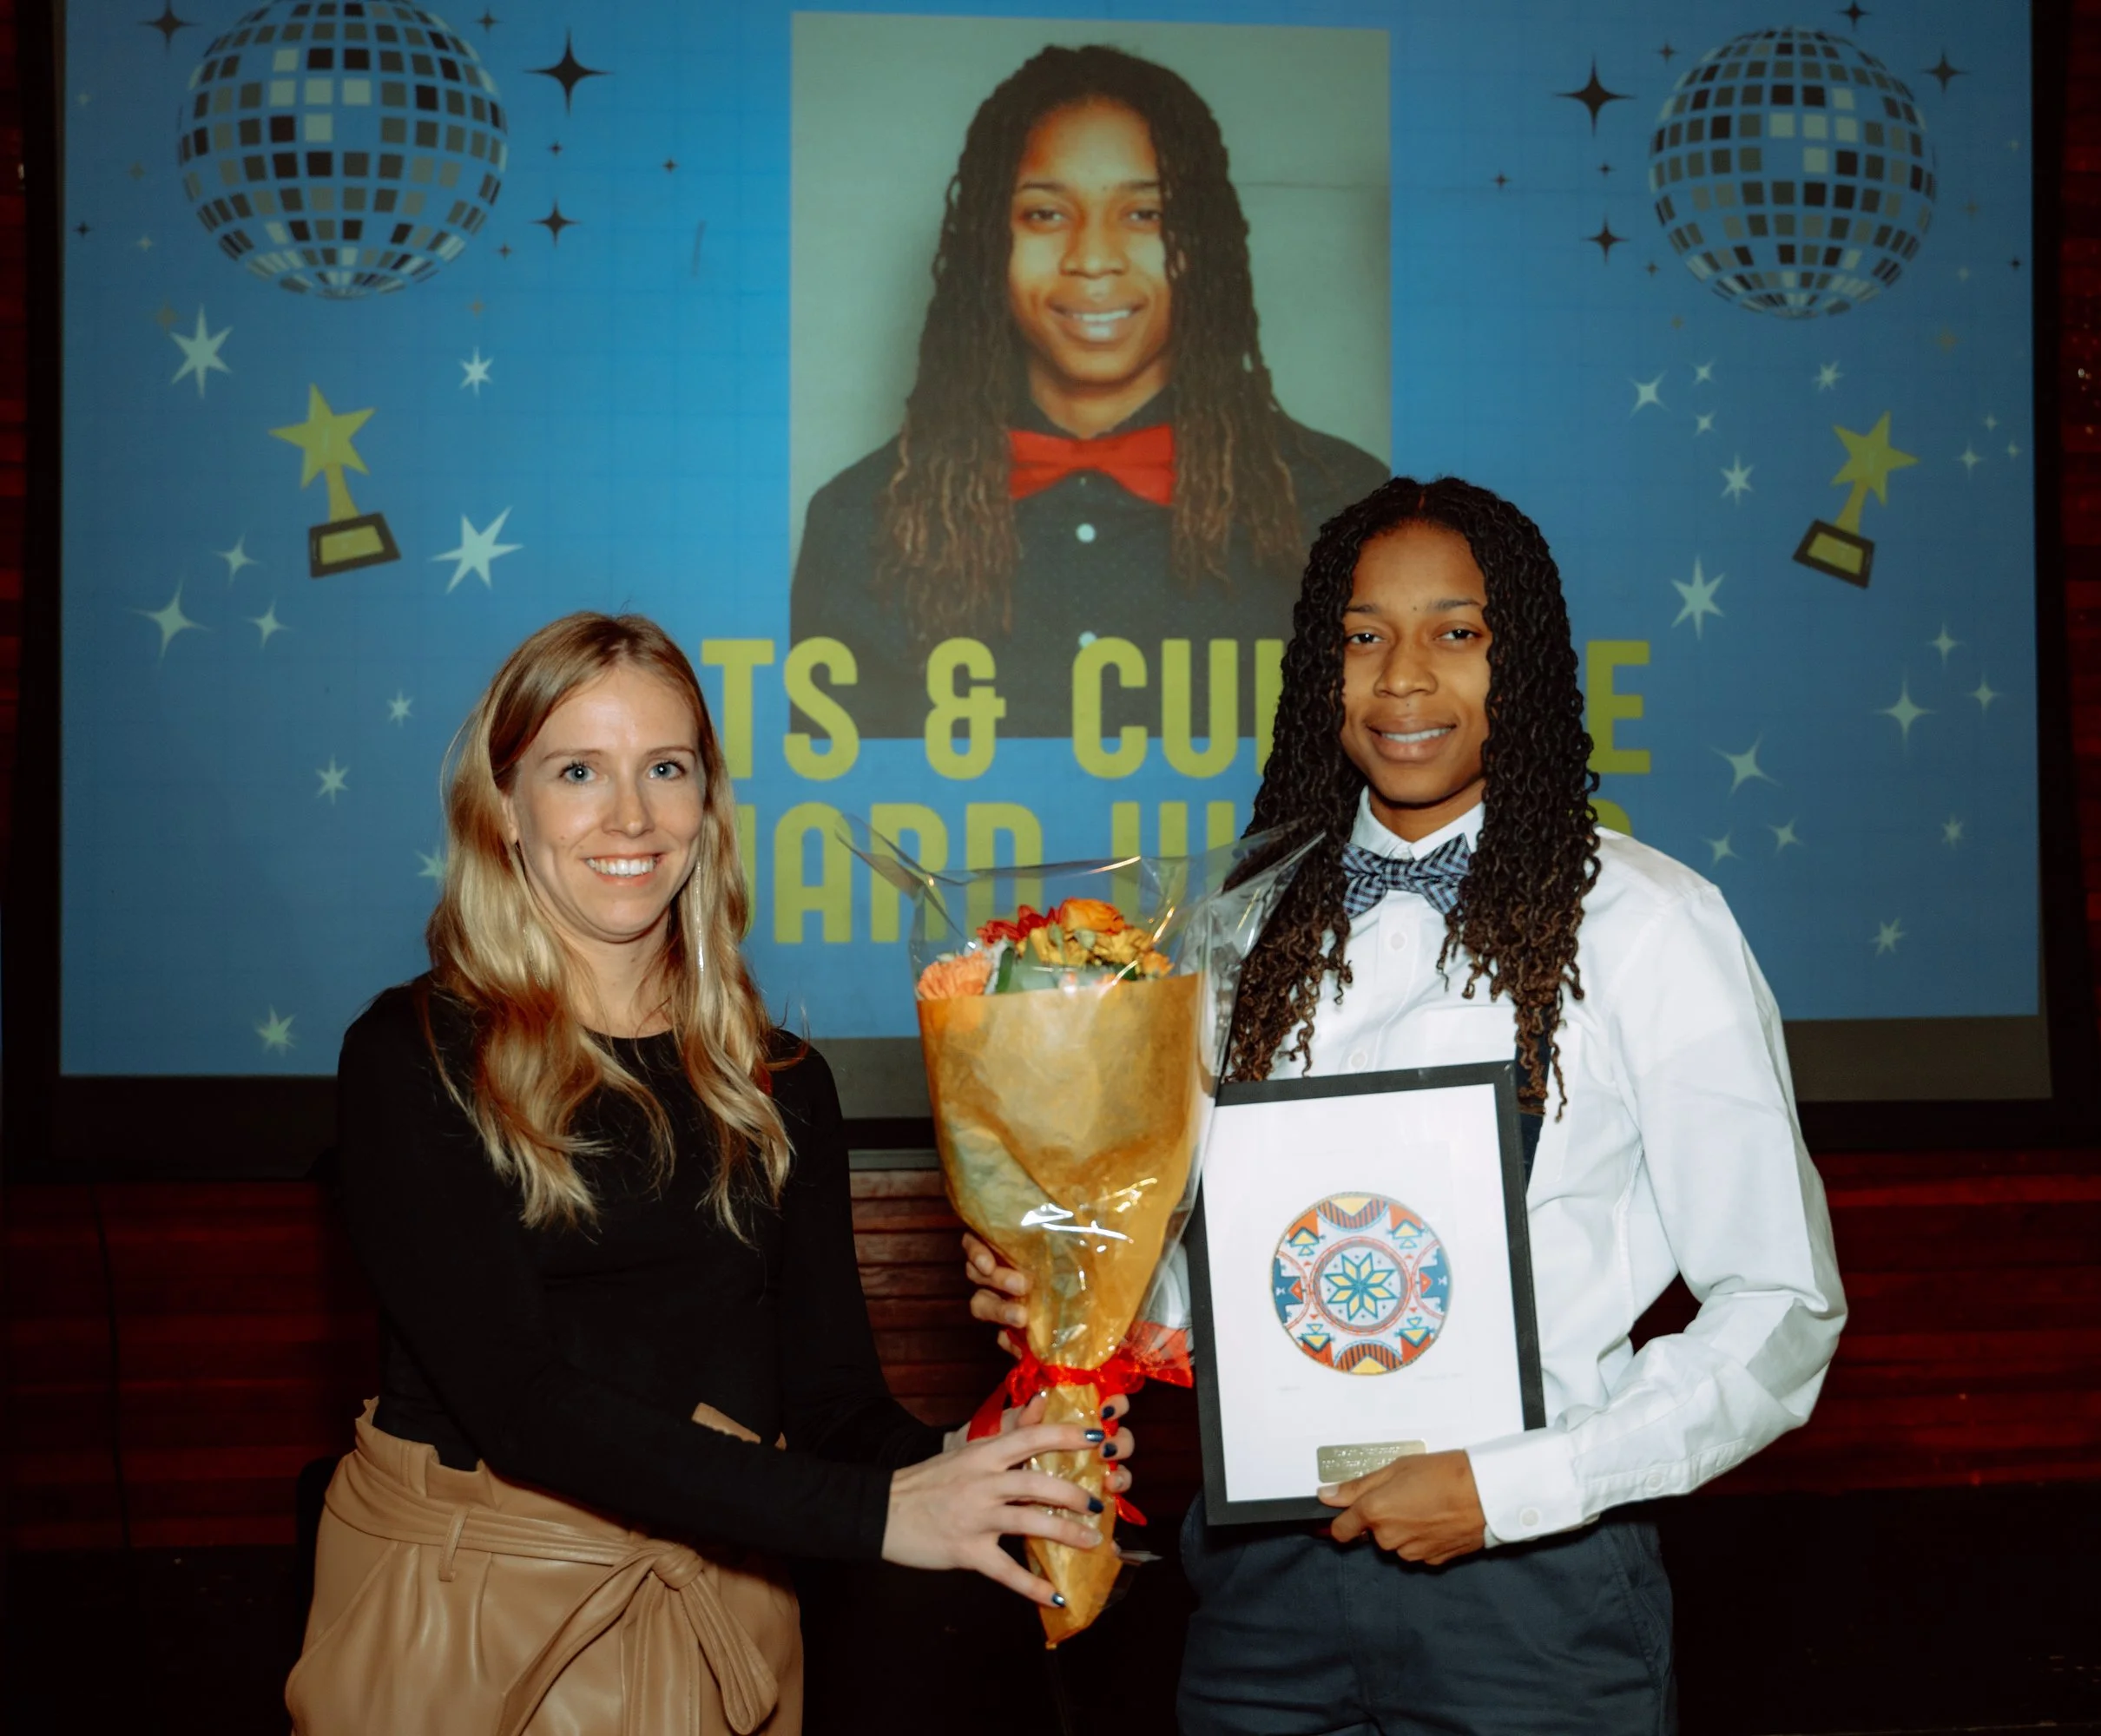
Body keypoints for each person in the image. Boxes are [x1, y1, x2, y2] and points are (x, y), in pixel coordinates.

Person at [964, 477, 1847, 1733]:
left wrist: (1517, 1488)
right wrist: (1084, 1294)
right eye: (1362, 636)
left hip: (1533, 1604)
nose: (1402, 679)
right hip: (1262, 1602)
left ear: (1522, 657)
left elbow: (1782, 1307)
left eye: (1456, 632)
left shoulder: (1649, 927)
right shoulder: (1233, 932)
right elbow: (1219, 1278)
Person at [287, 613, 1134, 1734]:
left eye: (666, 768)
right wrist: (879, 1512)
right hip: (479, 1625)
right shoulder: (413, 1053)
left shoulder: (784, 1079)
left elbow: (828, 1403)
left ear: (706, 803)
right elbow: (524, 1408)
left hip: (729, 1620)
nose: (630, 815)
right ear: (505, 809)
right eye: (578, 770)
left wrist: (980, 1458)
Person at [790, 43, 1386, 738]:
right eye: (1045, 214)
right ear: (991, 242)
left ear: (1205, 243)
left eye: (1146, 215)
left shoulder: (1343, 505)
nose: (1094, 258)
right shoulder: (858, 520)